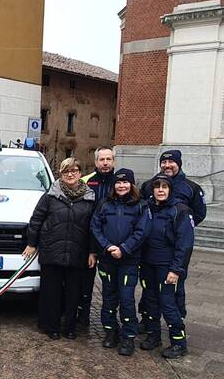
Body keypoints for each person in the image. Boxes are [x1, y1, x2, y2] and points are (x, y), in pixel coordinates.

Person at [23, 157, 97, 340]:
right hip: (52, 251)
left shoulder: (90, 197)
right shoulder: (50, 196)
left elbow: (95, 227)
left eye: (74, 171)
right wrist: (32, 244)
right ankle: (51, 326)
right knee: (51, 292)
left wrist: (92, 251)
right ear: (61, 174)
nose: (70, 174)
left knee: (74, 293)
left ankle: (70, 327)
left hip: (78, 252)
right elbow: (36, 220)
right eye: (66, 171)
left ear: (80, 174)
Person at [138, 149, 206, 329]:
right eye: (164, 162)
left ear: (179, 163)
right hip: (151, 252)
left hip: (173, 251)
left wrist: (175, 230)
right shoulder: (148, 185)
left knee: (174, 292)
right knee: (149, 292)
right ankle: (148, 322)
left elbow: (198, 214)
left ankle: (176, 325)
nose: (167, 165)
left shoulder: (191, 188)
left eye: (171, 162)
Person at [90, 169, 150, 356]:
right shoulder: (104, 204)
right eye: (118, 183)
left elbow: (142, 232)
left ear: (132, 185)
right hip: (107, 260)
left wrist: (123, 249)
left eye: (125, 183)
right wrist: (107, 246)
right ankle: (110, 332)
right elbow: (95, 226)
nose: (121, 186)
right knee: (108, 298)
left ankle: (128, 337)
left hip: (129, 261)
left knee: (126, 299)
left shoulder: (141, 206)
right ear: (113, 185)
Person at [139, 173, 194, 359]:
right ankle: (154, 335)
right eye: (157, 186)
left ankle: (179, 342)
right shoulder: (147, 207)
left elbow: (184, 244)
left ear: (170, 189)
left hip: (167, 267)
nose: (160, 190)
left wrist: (176, 269)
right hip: (147, 264)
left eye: (164, 186)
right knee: (150, 301)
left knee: (168, 304)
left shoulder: (180, 210)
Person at [78, 146, 116, 326]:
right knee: (85, 284)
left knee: (111, 287)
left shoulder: (121, 182)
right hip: (88, 241)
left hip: (112, 243)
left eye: (109, 159)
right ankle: (82, 317)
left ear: (114, 161)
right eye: (102, 159)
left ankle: (110, 323)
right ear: (95, 162)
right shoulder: (85, 181)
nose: (105, 163)